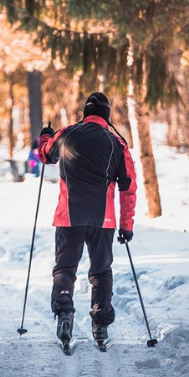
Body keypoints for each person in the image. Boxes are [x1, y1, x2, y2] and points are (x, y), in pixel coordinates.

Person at [37, 92, 137, 349]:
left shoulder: (68, 132)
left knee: (65, 269)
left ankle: (64, 312)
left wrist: (46, 137)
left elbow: (46, 155)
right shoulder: (117, 144)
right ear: (107, 116)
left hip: (69, 216)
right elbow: (128, 187)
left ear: (85, 112)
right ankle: (100, 324)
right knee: (101, 271)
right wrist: (126, 225)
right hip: (103, 220)